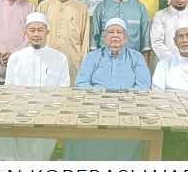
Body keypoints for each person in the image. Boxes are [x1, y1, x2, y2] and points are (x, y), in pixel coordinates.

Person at [64, 18, 151, 161]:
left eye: (119, 32)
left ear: (126, 38)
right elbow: (81, 83)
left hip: (128, 108)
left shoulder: (137, 57)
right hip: (95, 107)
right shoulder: (92, 57)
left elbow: (143, 86)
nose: (115, 35)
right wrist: (101, 98)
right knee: (74, 130)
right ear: (104, 38)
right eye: (111, 32)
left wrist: (123, 100)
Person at [0, 13, 70, 161]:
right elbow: (9, 90)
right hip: (18, 116)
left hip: (47, 117)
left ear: (47, 32)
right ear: (26, 33)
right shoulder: (15, 58)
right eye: (32, 30)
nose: (36, 34)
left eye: (40, 30)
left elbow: (63, 91)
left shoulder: (60, 58)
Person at [36, 0, 90, 86]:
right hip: (47, 59)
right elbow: (37, 35)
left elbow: (85, 39)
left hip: (72, 61)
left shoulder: (81, 8)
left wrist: (84, 64)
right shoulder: (43, 6)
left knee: (71, 93)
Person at [90, 0, 151, 64]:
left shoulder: (140, 8)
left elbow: (145, 41)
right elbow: (94, 38)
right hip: (105, 61)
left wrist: (144, 67)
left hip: (133, 61)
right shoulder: (101, 8)